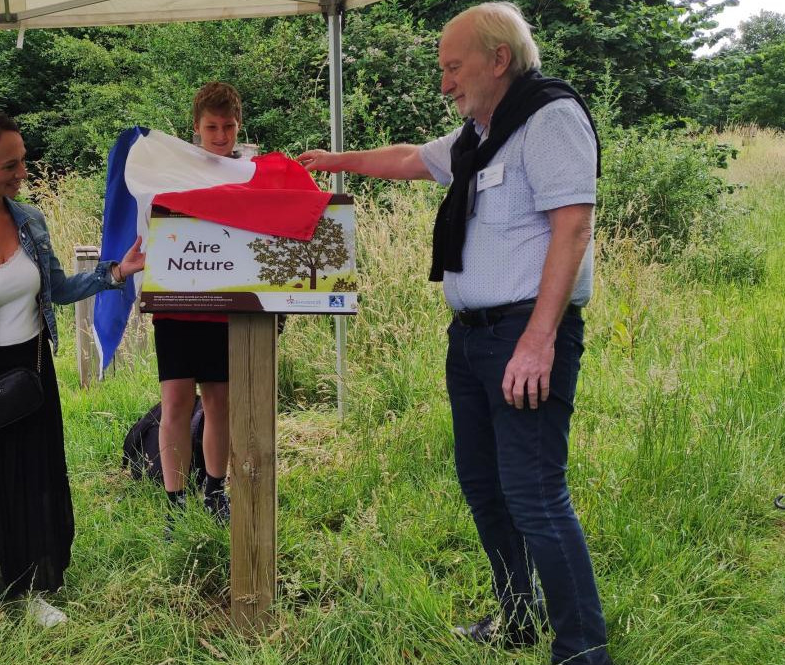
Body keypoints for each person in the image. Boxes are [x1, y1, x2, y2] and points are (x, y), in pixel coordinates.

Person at [297, 4, 611, 664]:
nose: (445, 84)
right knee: (483, 483)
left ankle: (583, 649)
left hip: (523, 337)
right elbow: (411, 158)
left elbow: (573, 228)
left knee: (535, 494)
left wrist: (539, 338)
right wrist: (332, 160)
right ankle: (519, 616)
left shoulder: (549, 118)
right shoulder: (479, 135)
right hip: (470, 339)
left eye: (452, 67)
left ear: (499, 59)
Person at [0, 110, 145, 640]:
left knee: (33, 479)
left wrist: (115, 273)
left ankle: (31, 588)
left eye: (23, 160)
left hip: (31, 371)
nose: (22, 171)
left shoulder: (31, 220)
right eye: (9, 163)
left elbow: (55, 289)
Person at [154, 82, 245, 525]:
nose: (221, 135)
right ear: (196, 127)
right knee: (174, 402)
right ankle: (175, 505)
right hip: (175, 306)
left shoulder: (248, 173)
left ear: (238, 125)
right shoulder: (171, 171)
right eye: (212, 127)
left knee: (218, 400)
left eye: (228, 126)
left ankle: (214, 491)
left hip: (223, 308)